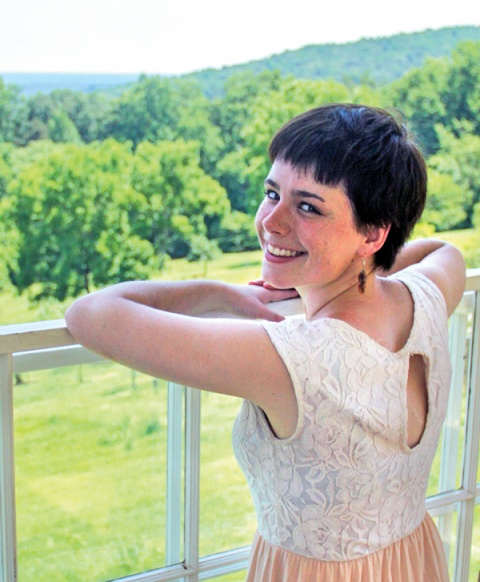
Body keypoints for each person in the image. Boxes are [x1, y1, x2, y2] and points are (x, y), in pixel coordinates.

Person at [65, 104, 466, 581]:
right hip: (412, 562)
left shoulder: (292, 358)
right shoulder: (426, 296)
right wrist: (355, 272)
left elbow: (90, 315)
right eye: (272, 193)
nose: (272, 222)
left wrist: (216, 291)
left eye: (308, 207)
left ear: (373, 233)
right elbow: (444, 250)